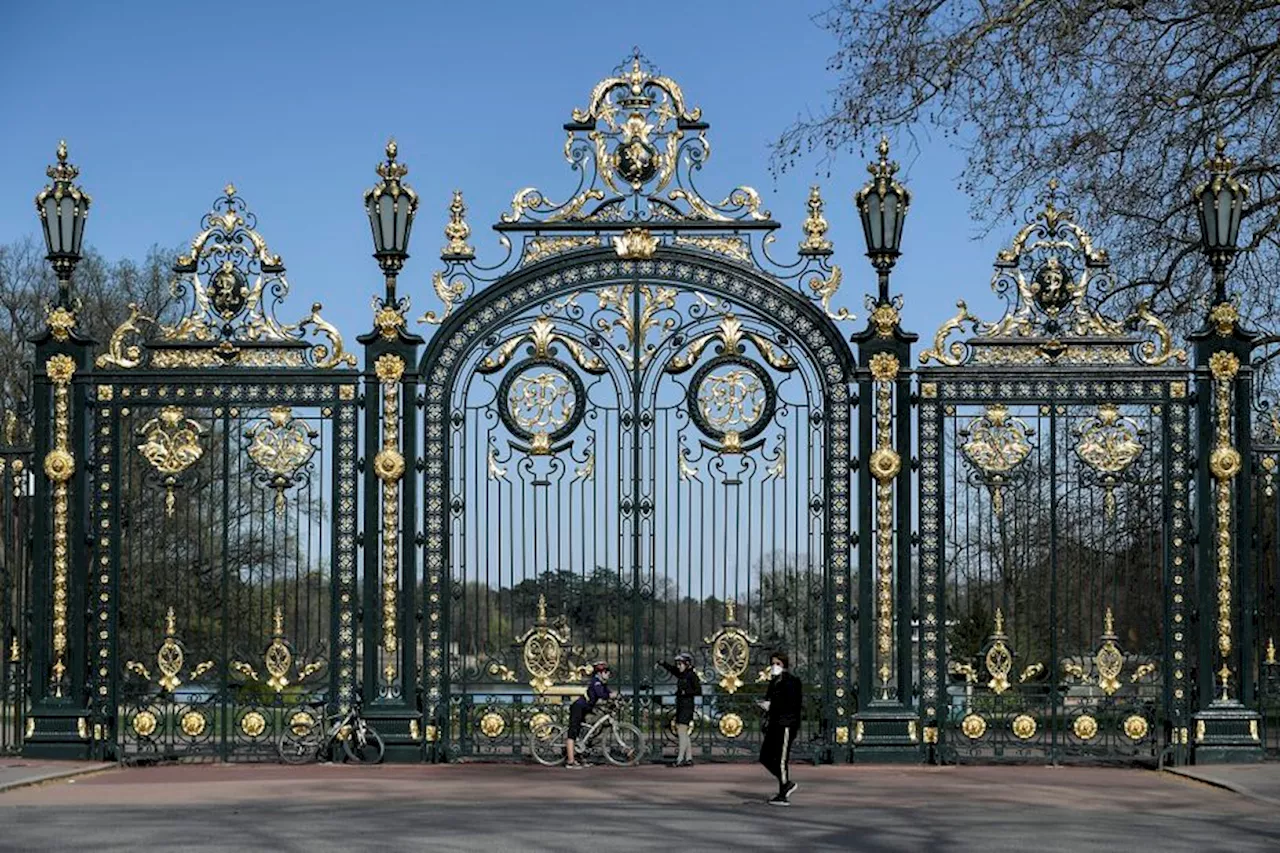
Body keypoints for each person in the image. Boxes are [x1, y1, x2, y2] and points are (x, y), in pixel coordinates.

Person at [758, 651, 802, 805]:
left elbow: (791, 704)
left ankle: (783, 792)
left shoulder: (791, 681)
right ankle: (786, 783)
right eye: (773, 663)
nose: (774, 666)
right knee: (765, 757)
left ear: (784, 665)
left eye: (778, 663)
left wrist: (772, 706)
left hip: (786, 724)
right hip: (774, 723)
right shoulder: (774, 681)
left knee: (781, 759)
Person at [565, 660, 614, 769]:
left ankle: (580, 758)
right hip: (578, 707)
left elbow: (607, 692)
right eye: (606, 672)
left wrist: (615, 697)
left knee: (584, 732)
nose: (608, 674)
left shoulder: (602, 683)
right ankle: (570, 761)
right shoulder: (595, 682)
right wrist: (611, 696)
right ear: (600, 673)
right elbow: (601, 694)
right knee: (573, 732)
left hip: (585, 709)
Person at [658, 652, 700, 767]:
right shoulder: (682, 674)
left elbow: (698, 690)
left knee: (681, 732)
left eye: (680, 664)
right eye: (678, 664)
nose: (678, 666)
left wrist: (685, 692)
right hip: (681, 705)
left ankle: (680, 759)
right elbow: (672, 670)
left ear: (687, 664)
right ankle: (689, 758)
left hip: (687, 706)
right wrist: (663, 663)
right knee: (684, 733)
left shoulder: (691, 675)